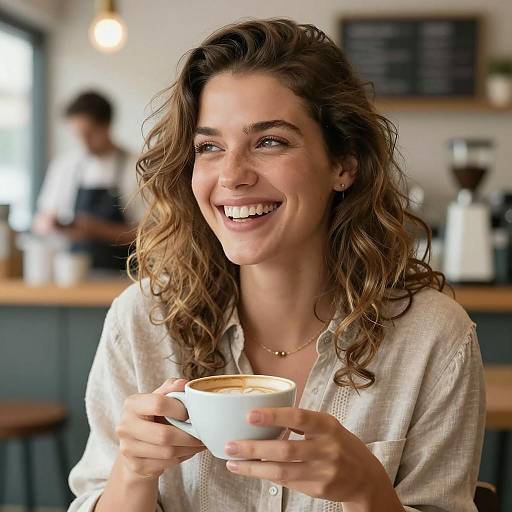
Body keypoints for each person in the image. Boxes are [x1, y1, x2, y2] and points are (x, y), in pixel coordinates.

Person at [68, 19, 485, 511]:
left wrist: (368, 493)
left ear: (343, 165)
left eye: (269, 141)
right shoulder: (140, 322)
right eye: (209, 147)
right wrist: (133, 473)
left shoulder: (433, 339)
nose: (232, 175)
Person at [33, 91, 143, 270]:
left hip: (124, 275)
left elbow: (150, 232)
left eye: (89, 134)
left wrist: (98, 229)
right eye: (78, 135)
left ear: (107, 126)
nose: (84, 143)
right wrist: (52, 225)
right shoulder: (64, 166)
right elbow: (41, 220)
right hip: (72, 273)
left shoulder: (136, 167)